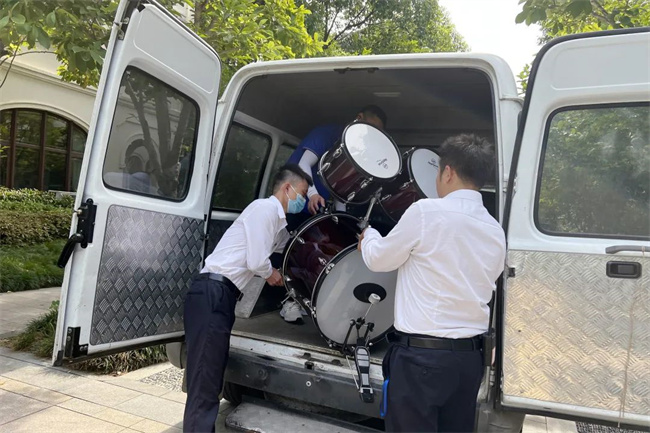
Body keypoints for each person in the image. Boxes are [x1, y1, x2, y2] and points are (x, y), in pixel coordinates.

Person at [357, 134, 505, 433]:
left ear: (447, 172)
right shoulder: (495, 230)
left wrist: (368, 236)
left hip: (422, 360)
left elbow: (379, 259)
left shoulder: (426, 212)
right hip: (469, 361)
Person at [183, 164, 312, 433]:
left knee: (211, 375)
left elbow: (288, 248)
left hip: (222, 296)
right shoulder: (264, 209)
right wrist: (272, 274)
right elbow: (256, 261)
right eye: (302, 194)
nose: (303, 200)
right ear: (287, 188)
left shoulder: (278, 224)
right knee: (205, 380)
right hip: (211, 292)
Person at [279, 105, 387, 323]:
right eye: (371, 127)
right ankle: (287, 301)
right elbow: (303, 163)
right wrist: (312, 193)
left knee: (312, 251)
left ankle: (302, 298)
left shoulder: (358, 151)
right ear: (358, 118)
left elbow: (341, 188)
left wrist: (343, 222)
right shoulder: (329, 133)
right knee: (291, 250)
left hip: (314, 203)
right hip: (292, 199)